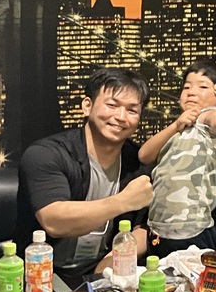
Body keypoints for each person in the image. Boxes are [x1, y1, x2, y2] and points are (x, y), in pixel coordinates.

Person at [17, 67, 153, 278]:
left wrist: (113, 261)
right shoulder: (46, 154)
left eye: (132, 110)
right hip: (40, 275)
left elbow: (144, 227)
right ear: (87, 106)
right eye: (112, 105)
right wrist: (123, 201)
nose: (120, 116)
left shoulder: (138, 162)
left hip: (104, 272)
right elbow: (54, 220)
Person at [140, 57, 216, 256]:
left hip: (192, 227)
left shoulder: (207, 118)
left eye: (203, 86)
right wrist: (175, 126)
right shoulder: (180, 127)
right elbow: (145, 155)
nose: (191, 92)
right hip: (159, 228)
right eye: (186, 87)